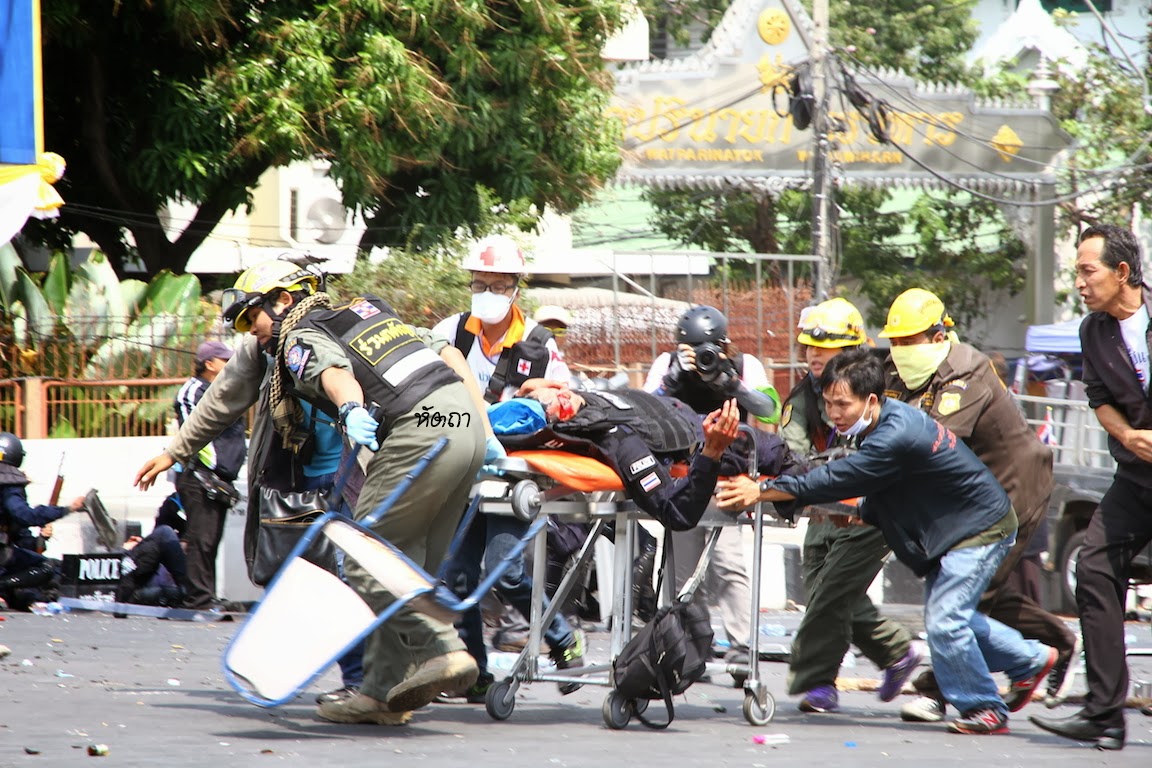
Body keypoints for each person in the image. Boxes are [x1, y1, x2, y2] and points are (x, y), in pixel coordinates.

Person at [137, 260, 487, 727]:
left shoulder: (297, 335)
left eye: (252, 317)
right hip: (457, 426)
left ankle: (442, 648)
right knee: (404, 566)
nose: (251, 330)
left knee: (366, 562)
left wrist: (350, 408)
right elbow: (447, 354)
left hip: (410, 439)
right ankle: (381, 694)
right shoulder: (367, 313)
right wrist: (483, 428)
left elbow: (334, 372)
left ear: (284, 300)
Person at [716, 348, 1056, 735]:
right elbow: (883, 485)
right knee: (955, 618)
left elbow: (838, 478)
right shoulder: (883, 423)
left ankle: (985, 707)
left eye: (843, 404)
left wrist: (762, 490)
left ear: (872, 400)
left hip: (979, 527)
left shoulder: (895, 434)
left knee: (946, 621)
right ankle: (1029, 660)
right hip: (954, 527)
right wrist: (860, 509)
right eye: (828, 403)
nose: (833, 414)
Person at [879, 288, 1079, 722]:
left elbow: (931, 444)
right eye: (894, 341)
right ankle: (1047, 649)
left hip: (1013, 482)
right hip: (968, 491)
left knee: (966, 594)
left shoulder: (965, 370)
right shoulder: (898, 371)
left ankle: (942, 691)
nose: (899, 350)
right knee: (979, 591)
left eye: (908, 340)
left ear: (938, 336)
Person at [432, 235, 584, 701]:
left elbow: (567, 404)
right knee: (457, 576)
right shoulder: (452, 332)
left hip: (512, 474)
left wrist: (544, 393)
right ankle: (474, 672)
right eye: (479, 284)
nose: (487, 294)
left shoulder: (539, 344)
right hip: (462, 468)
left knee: (505, 571)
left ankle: (562, 638)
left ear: (516, 288)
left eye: (497, 286)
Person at [1030, 225, 1152, 751]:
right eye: (1076, 272)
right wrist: (1127, 435)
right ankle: (1104, 714)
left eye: (1087, 271)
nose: (1079, 282)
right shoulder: (1093, 331)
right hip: (1136, 477)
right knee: (1095, 566)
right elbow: (1099, 398)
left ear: (1122, 272)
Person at [777, 298, 919, 714]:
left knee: (833, 591)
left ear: (853, 351)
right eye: (809, 346)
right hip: (823, 505)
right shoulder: (802, 398)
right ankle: (895, 654)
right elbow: (792, 454)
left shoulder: (885, 391)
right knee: (821, 590)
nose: (814, 354)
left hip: (871, 508)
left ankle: (820, 681)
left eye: (827, 347)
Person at [643, 305, 776, 674]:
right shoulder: (667, 364)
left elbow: (769, 409)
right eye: (694, 351)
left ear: (724, 344)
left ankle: (741, 646)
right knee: (682, 572)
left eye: (710, 350)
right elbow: (642, 410)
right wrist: (671, 380)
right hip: (683, 479)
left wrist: (731, 383)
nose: (703, 358)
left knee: (729, 564)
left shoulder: (744, 365)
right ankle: (688, 645)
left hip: (727, 480)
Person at [172, 341, 247, 610]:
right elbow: (193, 431)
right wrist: (213, 467)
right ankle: (198, 599)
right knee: (201, 539)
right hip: (199, 476)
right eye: (225, 360)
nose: (231, 364)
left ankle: (206, 595)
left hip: (220, 478)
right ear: (209, 364)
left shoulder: (225, 389)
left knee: (211, 540)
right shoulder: (193, 390)